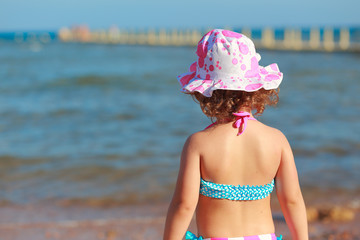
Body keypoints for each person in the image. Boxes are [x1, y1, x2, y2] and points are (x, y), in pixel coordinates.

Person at [163, 29, 308, 240]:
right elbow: (292, 200)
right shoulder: (277, 140)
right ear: (257, 89)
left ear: (206, 93)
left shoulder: (198, 144)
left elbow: (183, 205)